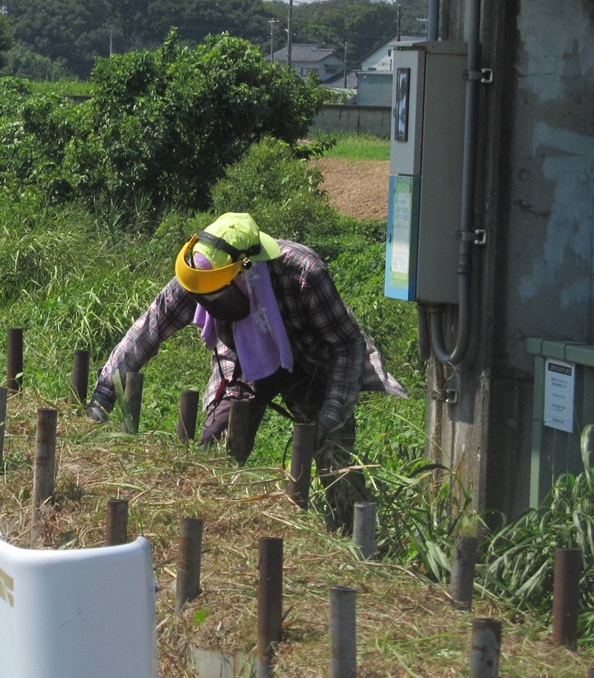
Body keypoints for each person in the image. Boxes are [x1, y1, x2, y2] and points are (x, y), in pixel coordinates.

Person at [87, 212, 405, 529]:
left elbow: (346, 344)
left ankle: (353, 540)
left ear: (245, 269)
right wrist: (105, 391)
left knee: (334, 458)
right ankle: (211, 525)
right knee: (216, 446)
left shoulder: (303, 272)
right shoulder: (201, 273)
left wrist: (333, 412)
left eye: (218, 293)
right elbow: (150, 327)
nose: (210, 301)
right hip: (245, 358)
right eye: (205, 297)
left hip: (313, 362)